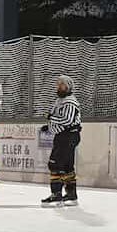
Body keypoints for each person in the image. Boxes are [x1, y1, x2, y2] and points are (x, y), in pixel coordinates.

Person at [42, 75, 82, 205]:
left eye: (62, 85)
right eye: (58, 84)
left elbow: (67, 120)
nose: (59, 87)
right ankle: (71, 195)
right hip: (65, 136)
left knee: (55, 164)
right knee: (66, 165)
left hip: (68, 136)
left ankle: (56, 195)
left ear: (69, 86)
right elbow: (61, 118)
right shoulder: (60, 100)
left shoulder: (69, 102)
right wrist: (49, 126)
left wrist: (51, 118)